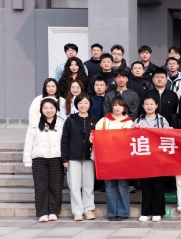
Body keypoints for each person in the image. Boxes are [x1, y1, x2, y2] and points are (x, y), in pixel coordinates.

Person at [24, 98, 65, 222]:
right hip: (39, 159)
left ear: (56, 109)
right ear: (41, 109)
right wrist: (28, 160)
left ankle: (53, 212)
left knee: (56, 186)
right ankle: (42, 212)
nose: (49, 110)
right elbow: (29, 142)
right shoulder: (34, 123)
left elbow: (65, 142)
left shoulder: (62, 123)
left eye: (52, 108)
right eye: (45, 108)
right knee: (41, 187)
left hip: (57, 158)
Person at [95, 96, 133, 221]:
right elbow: (95, 136)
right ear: (111, 106)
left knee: (123, 186)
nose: (117, 107)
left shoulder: (129, 122)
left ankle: (123, 212)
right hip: (107, 158)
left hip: (123, 159)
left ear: (124, 107)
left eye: (120, 105)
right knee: (109, 186)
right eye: (115, 105)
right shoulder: (104, 121)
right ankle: (112, 213)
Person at [133, 96, 170, 222]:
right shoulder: (138, 120)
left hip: (158, 157)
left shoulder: (162, 120)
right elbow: (131, 137)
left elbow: (168, 137)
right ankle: (146, 212)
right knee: (145, 186)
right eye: (146, 104)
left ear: (156, 106)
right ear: (143, 106)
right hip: (143, 158)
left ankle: (157, 211)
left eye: (151, 104)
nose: (149, 106)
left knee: (158, 185)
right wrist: (135, 129)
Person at [61, 93, 97, 222]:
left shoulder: (94, 119)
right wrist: (64, 159)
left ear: (90, 104)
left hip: (89, 157)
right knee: (74, 185)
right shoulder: (70, 119)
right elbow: (64, 140)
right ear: (76, 104)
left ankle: (88, 209)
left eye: (86, 103)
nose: (83, 105)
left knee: (89, 184)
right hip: (73, 157)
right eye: (80, 103)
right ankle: (77, 211)